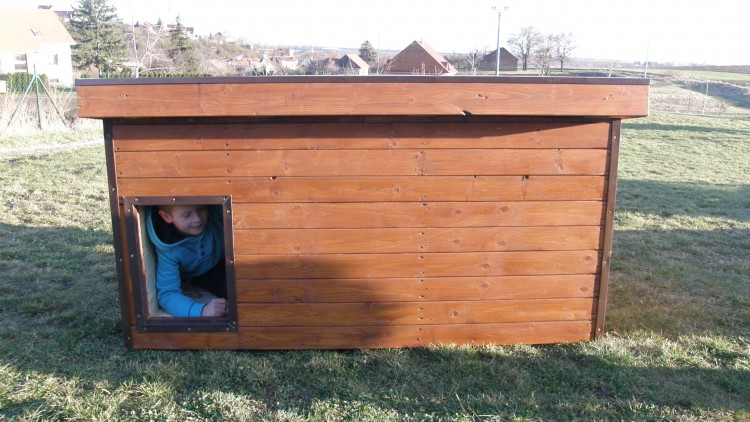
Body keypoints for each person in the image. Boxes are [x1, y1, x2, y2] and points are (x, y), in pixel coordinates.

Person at [146, 204, 227, 317]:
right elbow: (167, 294)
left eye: (201, 208)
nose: (197, 218)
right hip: (201, 274)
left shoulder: (214, 213)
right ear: (167, 217)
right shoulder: (169, 249)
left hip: (229, 259)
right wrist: (202, 310)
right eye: (187, 215)